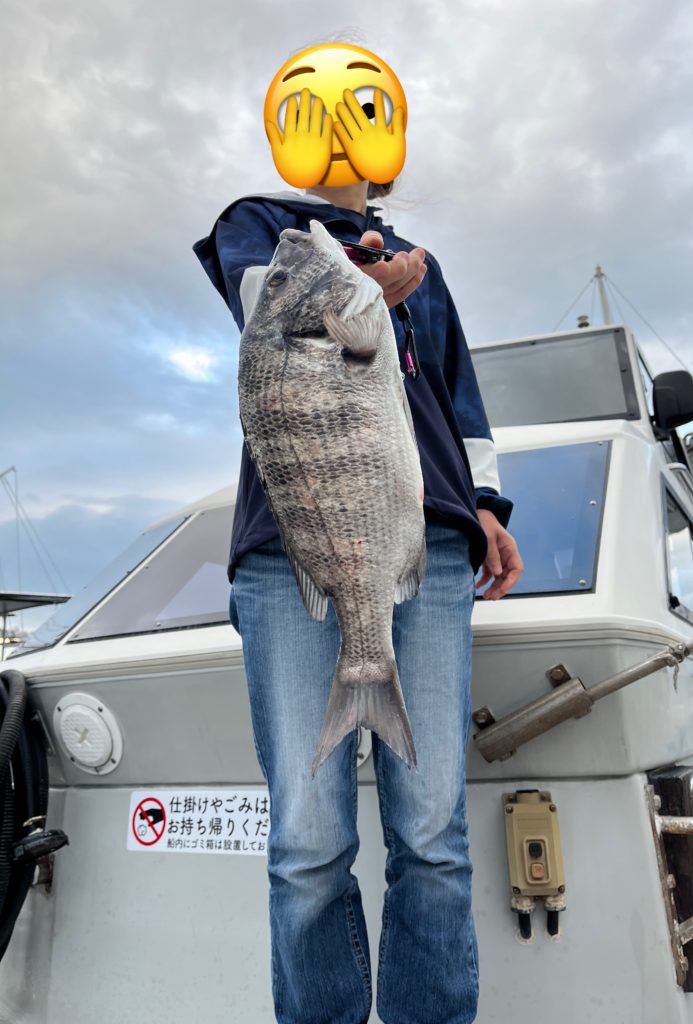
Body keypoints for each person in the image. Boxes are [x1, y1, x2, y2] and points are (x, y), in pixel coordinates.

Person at [193, 172, 523, 1024]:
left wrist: (487, 506)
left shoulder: (420, 264)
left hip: (432, 538)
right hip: (290, 541)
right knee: (306, 841)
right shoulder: (261, 224)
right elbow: (263, 300)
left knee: (435, 836)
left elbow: (456, 393)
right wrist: (353, 289)